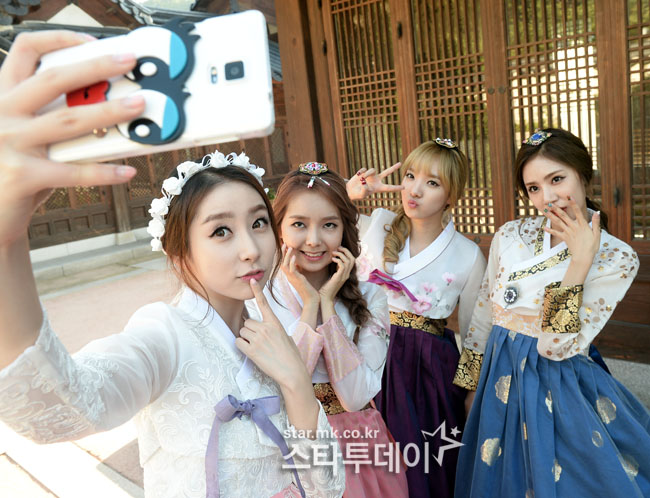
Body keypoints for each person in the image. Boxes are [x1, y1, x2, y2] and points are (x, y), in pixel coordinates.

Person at [0, 31, 344, 498]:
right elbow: (61, 410)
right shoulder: (163, 335)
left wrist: (298, 385)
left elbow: (328, 485)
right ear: (179, 252)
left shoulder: (278, 326)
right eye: (220, 231)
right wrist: (7, 241)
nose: (251, 249)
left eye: (259, 222)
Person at [453, 128, 650, 497]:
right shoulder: (510, 235)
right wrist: (469, 385)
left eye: (557, 179)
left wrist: (581, 260)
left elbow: (554, 346)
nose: (547, 197)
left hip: (558, 383)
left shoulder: (616, 257)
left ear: (583, 175)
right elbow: (483, 314)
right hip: (498, 377)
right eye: (534, 188)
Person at [248, 163, 408, 497]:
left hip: (359, 445)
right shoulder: (260, 299)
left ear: (345, 229)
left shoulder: (372, 295)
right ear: (279, 229)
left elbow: (355, 397)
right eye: (299, 224)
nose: (313, 240)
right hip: (293, 445)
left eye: (329, 225)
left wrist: (327, 305)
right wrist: (309, 306)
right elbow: (283, 390)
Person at [346, 139, 486, 498]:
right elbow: (319, 226)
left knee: (426, 466)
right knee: (370, 464)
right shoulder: (376, 224)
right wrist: (349, 194)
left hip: (428, 369)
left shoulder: (468, 254)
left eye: (432, 182)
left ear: (452, 194)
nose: (415, 190)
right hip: (370, 353)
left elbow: (475, 334)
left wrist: (470, 396)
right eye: (410, 176)